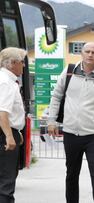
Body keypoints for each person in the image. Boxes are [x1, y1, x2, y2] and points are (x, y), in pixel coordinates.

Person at [47, 42, 94, 203]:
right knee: (71, 174)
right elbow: (56, 96)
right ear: (81, 53)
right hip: (71, 133)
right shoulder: (69, 71)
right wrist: (51, 120)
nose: (90, 54)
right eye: (87, 51)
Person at [0, 47, 27, 203]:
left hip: (7, 132)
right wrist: (10, 136)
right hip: (5, 135)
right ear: (12, 63)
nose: (23, 65)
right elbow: (2, 112)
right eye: (22, 62)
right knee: (6, 182)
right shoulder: (7, 82)